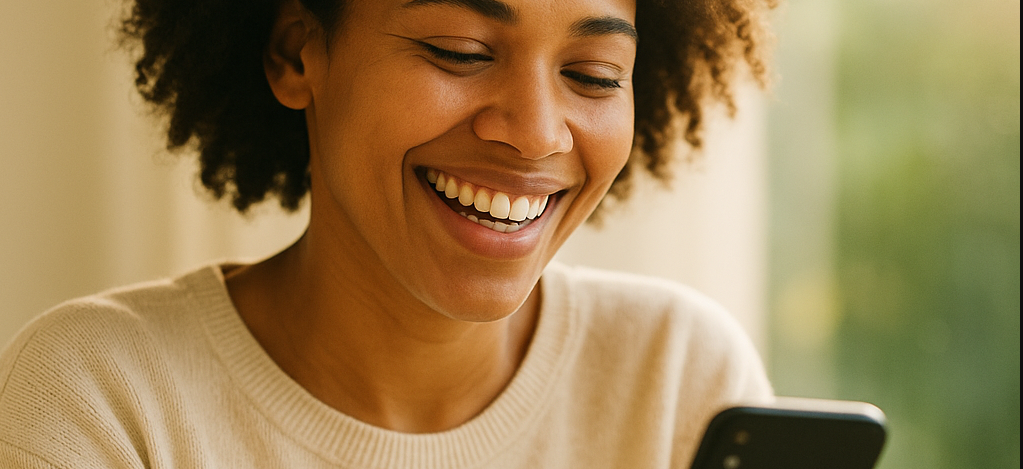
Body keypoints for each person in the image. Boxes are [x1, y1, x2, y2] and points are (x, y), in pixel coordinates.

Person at [0, 0, 775, 467]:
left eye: (594, 74)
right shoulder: (104, 395)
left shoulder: (679, 377)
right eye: (459, 53)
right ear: (295, 52)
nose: (536, 134)